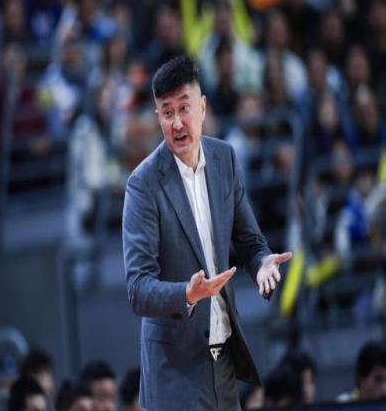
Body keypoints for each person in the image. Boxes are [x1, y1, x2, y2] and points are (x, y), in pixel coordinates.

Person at [122, 55, 291, 410]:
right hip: (174, 372)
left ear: (202, 107)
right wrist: (187, 293)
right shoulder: (142, 184)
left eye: (184, 108)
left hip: (224, 361)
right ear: (157, 117)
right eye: (167, 112)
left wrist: (262, 263)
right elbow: (138, 289)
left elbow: (249, 241)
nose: (177, 123)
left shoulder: (224, 158)